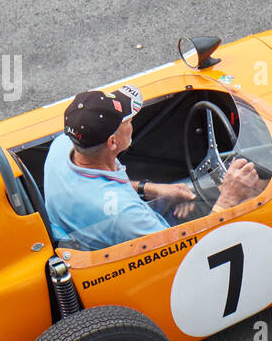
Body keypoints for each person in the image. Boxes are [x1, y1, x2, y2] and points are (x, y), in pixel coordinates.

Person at [44, 87, 260, 249]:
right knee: (253, 190)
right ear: (112, 143)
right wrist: (229, 198)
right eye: (128, 121)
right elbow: (188, 255)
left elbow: (97, 188)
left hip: (91, 225)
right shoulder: (126, 215)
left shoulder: (61, 147)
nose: (132, 124)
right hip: (152, 248)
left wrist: (153, 189)